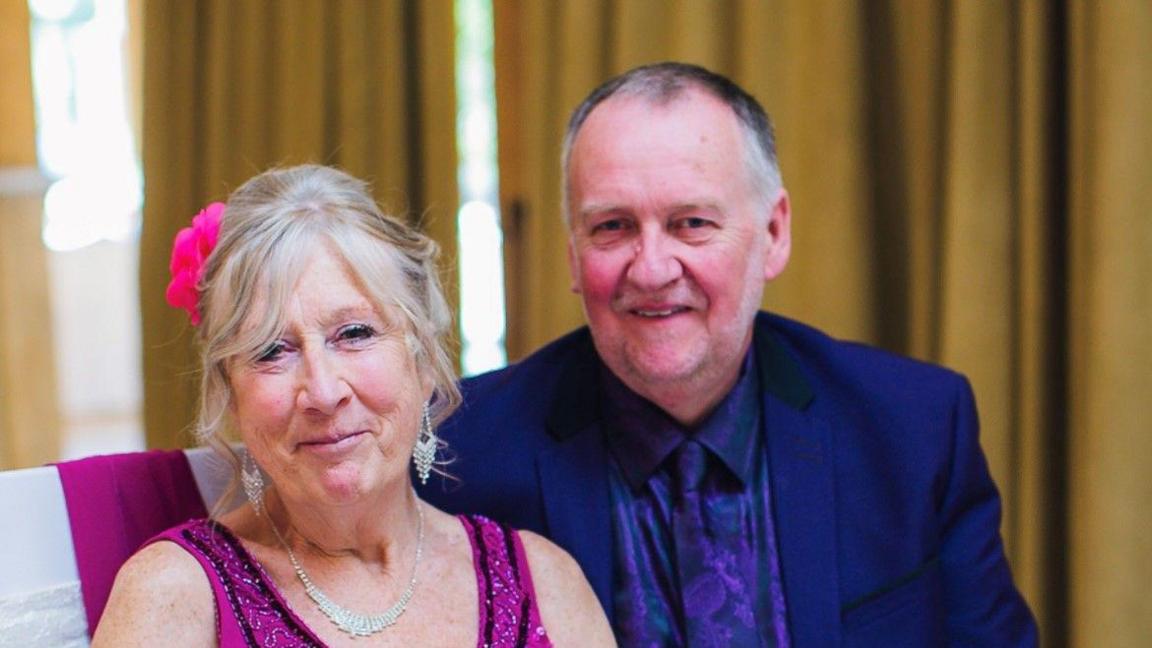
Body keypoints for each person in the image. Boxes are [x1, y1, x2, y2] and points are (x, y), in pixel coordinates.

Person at [418, 62, 1039, 646]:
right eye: (612, 226)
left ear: (773, 233)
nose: (653, 268)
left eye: (691, 222)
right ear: (573, 255)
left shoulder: (914, 429)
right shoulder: (456, 456)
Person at [93, 165, 614, 647]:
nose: (322, 392)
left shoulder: (544, 582)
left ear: (424, 361)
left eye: (355, 333)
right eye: (272, 350)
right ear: (231, 394)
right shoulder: (172, 597)